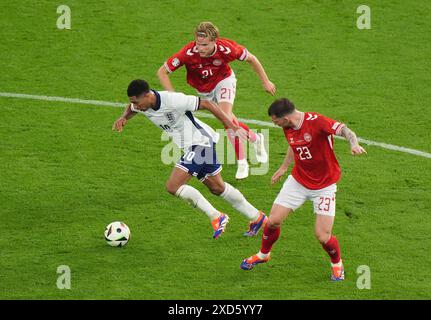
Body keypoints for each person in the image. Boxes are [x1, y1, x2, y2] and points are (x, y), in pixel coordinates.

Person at [112, 79, 268, 239]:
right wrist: (123, 117)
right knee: (217, 188)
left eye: (136, 102)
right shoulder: (143, 105)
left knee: (173, 186)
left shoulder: (172, 100)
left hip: (200, 143)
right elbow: (131, 109)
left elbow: (207, 104)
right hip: (194, 146)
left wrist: (231, 126)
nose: (135, 106)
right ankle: (257, 218)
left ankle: (216, 216)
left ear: (147, 95)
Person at [240, 98, 367, 281]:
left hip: (324, 186)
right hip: (298, 181)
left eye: (275, 121)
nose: (275, 125)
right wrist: (284, 168)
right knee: (273, 221)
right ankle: (263, 255)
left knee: (323, 236)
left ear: (285, 117)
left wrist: (353, 144)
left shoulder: (317, 122)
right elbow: (294, 146)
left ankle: (337, 264)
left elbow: (346, 130)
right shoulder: (288, 127)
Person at [158, 21, 276, 179]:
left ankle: (242, 162)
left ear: (215, 41)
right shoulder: (188, 52)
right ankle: (255, 138)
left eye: (205, 45)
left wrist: (265, 81)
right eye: (198, 44)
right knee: (228, 118)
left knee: (225, 117)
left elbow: (252, 59)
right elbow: (162, 72)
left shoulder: (227, 49)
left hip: (224, 81)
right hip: (203, 90)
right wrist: (173, 97)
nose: (200, 48)